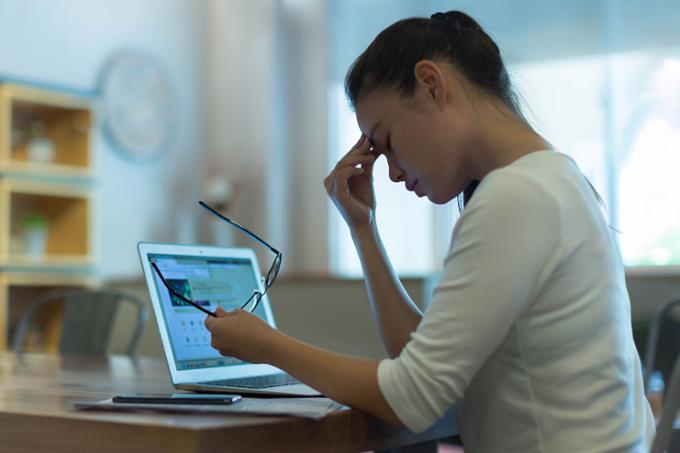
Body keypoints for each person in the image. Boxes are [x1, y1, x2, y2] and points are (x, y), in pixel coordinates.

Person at [205, 10, 655, 452]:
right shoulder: (553, 179)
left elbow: (411, 398)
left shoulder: (517, 196)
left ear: (431, 84)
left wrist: (268, 345)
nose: (394, 174)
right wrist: (364, 228)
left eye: (387, 142)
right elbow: (420, 361)